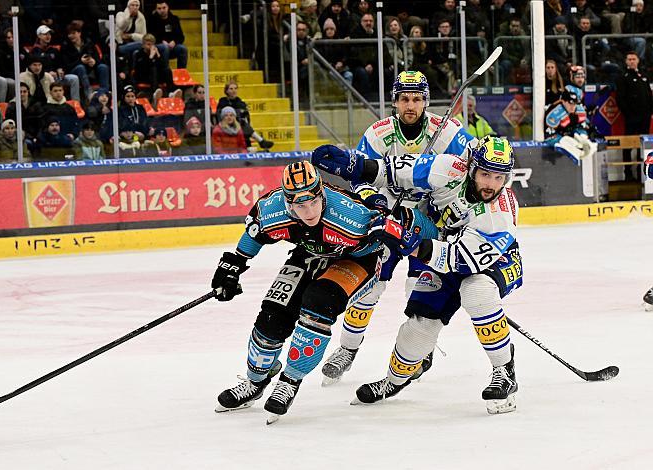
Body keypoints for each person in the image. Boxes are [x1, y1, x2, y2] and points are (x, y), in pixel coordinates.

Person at [312, 136, 522, 414]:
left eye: (499, 177)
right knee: (419, 328)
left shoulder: (499, 215)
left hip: (495, 260)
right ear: (471, 168)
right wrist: (355, 166)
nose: (491, 184)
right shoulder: (448, 168)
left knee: (476, 291)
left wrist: (414, 246)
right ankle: (394, 380)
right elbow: (395, 170)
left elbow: (461, 261)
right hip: (444, 247)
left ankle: (504, 371)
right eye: (485, 174)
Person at [213, 160, 436, 421]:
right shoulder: (272, 209)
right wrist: (232, 266)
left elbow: (408, 222)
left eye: (313, 202)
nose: (308, 211)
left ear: (322, 194)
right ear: (287, 203)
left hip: (357, 259)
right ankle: (255, 380)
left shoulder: (351, 215)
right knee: (272, 316)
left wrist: (419, 237)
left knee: (318, 304)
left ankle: (290, 381)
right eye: (299, 205)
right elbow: (254, 233)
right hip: (309, 254)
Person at [316, 71, 475, 385]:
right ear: (395, 102)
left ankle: (420, 349)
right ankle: (348, 349)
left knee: (421, 290)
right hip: (387, 219)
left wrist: (456, 210)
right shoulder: (379, 133)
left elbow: (472, 169)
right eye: (405, 99)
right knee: (369, 288)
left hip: (429, 224)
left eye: (417, 99)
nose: (411, 105)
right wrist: (374, 201)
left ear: (426, 101)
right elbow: (358, 177)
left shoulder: (449, 131)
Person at [615, 51, 653, 181]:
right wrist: (628, 113)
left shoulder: (644, 76)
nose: (631, 61)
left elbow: (648, 94)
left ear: (638, 60)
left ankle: (641, 171)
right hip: (631, 117)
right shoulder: (623, 77)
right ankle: (628, 173)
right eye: (629, 59)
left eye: (634, 59)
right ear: (626, 61)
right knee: (628, 144)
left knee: (643, 145)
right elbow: (620, 98)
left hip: (645, 117)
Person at [216, 80, 273, 150]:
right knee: (243, 126)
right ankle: (261, 141)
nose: (234, 91)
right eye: (231, 89)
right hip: (226, 125)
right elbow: (219, 116)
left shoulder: (241, 103)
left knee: (244, 125)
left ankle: (257, 143)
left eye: (235, 88)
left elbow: (246, 117)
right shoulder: (222, 101)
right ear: (226, 91)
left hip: (240, 125)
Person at [544, 85, 594, 164]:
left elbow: (582, 127)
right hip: (556, 137)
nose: (572, 106)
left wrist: (582, 137)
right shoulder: (554, 114)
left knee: (584, 140)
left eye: (574, 103)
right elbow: (549, 136)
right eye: (570, 103)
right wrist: (563, 140)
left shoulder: (579, 110)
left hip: (571, 133)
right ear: (563, 101)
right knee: (564, 141)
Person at [147, 1, 187, 69]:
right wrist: (161, 41)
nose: (162, 10)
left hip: (172, 46)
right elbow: (150, 36)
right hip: (158, 46)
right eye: (159, 8)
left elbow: (181, 36)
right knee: (164, 48)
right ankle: (165, 72)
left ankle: (181, 73)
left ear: (168, 7)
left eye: (164, 8)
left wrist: (174, 42)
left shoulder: (174, 19)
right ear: (156, 9)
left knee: (182, 49)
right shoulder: (151, 19)